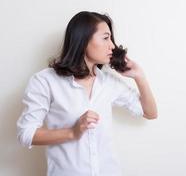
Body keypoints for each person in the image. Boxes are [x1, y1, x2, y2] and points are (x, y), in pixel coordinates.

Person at [16, 11, 158, 176]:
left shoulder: (109, 82)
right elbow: (26, 134)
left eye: (111, 38)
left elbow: (150, 113)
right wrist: (72, 132)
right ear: (83, 40)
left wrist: (139, 76)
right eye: (106, 38)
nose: (112, 45)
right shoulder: (45, 81)